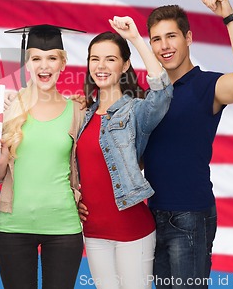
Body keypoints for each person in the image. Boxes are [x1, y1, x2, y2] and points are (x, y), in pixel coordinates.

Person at [142, 0, 233, 289]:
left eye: (171, 36)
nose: (164, 46)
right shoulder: (150, 96)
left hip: (190, 216)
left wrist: (229, 18)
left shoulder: (206, 86)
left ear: (188, 38)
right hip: (151, 215)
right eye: (156, 39)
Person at [76, 16, 173, 289]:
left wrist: (135, 39)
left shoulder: (135, 111)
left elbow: (163, 92)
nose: (101, 66)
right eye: (95, 59)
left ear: (125, 64)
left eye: (110, 59)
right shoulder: (84, 115)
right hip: (93, 232)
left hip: (132, 230)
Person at [0, 24, 85, 289]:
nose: (45, 66)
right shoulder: (8, 107)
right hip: (14, 226)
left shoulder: (76, 111)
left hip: (63, 226)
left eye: (52, 58)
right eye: (36, 58)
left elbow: (87, 164)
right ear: (27, 63)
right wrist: (1, 154)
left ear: (63, 63)